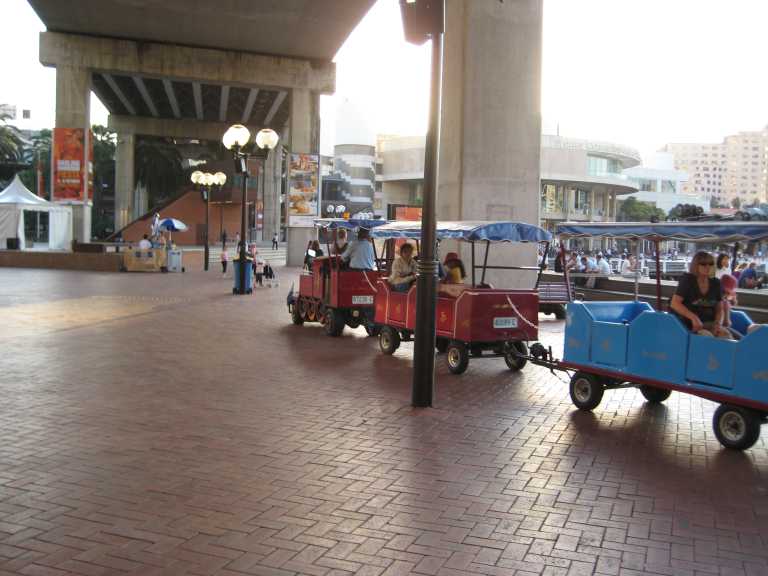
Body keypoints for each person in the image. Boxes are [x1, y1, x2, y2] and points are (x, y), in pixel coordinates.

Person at [670, 251, 731, 339]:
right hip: (688, 324)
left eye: (710, 264)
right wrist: (694, 318)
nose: (708, 267)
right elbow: (675, 303)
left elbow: (719, 309)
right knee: (707, 336)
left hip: (710, 323)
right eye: (703, 264)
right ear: (696, 265)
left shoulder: (716, 283)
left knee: (727, 336)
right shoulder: (688, 280)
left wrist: (718, 324)